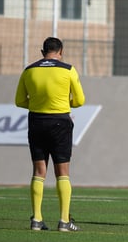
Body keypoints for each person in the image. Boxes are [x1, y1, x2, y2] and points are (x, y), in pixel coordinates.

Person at [15, 37, 85, 231]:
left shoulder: (29, 70)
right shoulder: (68, 69)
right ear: (60, 51)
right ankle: (64, 221)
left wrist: (39, 104)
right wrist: (62, 104)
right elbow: (79, 101)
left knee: (39, 172)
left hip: (37, 121)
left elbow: (19, 101)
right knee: (62, 173)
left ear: (42, 51)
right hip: (60, 122)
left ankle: (36, 219)